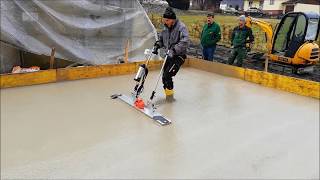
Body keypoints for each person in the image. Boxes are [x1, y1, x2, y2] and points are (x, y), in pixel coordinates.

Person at [153, 7, 189, 100]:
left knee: (167, 75)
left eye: (167, 20)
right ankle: (169, 95)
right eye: (164, 20)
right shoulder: (165, 27)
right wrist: (158, 44)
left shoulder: (181, 27)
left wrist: (174, 50)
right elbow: (161, 39)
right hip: (168, 55)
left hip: (178, 56)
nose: (165, 22)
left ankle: (170, 98)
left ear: (173, 19)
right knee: (164, 76)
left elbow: (185, 42)